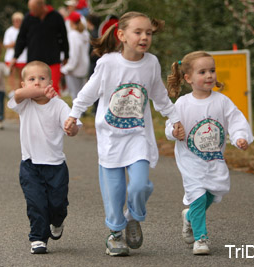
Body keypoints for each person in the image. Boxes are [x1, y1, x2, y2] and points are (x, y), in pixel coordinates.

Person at [64, 11, 184, 256]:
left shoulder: (151, 63)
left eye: (148, 33)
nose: (144, 37)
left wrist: (174, 118)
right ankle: (115, 233)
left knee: (140, 185)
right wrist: (73, 114)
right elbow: (89, 91)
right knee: (114, 191)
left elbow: (159, 96)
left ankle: (133, 217)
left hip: (138, 136)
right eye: (138, 32)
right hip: (110, 137)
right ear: (121, 35)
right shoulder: (108, 63)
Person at [165, 51, 253, 255]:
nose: (209, 76)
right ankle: (201, 238)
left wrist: (240, 136)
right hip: (190, 160)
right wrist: (174, 131)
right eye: (202, 72)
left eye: (212, 71)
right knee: (197, 195)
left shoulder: (222, 101)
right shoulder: (183, 103)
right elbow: (170, 125)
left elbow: (236, 120)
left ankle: (189, 217)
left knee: (213, 193)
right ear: (188, 78)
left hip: (214, 159)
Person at [7, 61, 81, 254]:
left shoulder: (59, 105)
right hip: (30, 165)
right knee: (36, 202)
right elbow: (16, 95)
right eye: (32, 80)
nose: (37, 83)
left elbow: (73, 128)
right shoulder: (24, 105)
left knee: (57, 204)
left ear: (51, 81)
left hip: (55, 165)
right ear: (24, 84)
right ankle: (38, 238)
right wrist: (33, 91)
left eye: (42, 78)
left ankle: (57, 222)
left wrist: (71, 128)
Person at [12, 0, 69, 96]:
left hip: (52, 60)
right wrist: (15, 56)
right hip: (34, 61)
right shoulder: (28, 18)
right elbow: (21, 39)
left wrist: (66, 55)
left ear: (42, 6)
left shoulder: (56, 17)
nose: (31, 12)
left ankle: (53, 110)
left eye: (33, 9)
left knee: (52, 90)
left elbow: (64, 37)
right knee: (33, 89)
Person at [60, 12, 90, 101]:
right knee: (81, 92)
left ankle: (77, 113)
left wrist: (67, 68)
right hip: (83, 65)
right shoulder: (85, 33)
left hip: (75, 67)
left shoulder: (73, 35)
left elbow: (74, 54)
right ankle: (82, 111)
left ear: (71, 22)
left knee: (75, 93)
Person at [3, 12, 27, 97]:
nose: (17, 22)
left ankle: (21, 90)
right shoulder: (9, 31)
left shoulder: (25, 30)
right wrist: (14, 44)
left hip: (22, 56)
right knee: (11, 74)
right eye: (15, 20)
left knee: (22, 74)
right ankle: (12, 90)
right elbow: (6, 44)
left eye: (19, 20)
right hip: (10, 56)